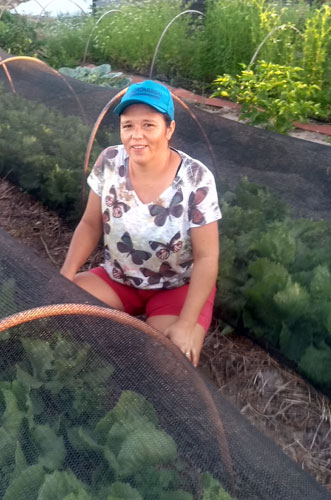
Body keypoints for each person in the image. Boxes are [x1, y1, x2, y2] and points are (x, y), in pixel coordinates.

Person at [60, 80, 221, 367]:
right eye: (128, 125)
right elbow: (89, 224)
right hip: (119, 279)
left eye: (148, 125)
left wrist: (186, 323)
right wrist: (65, 276)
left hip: (176, 287)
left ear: (169, 129)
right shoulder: (110, 161)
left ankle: (168, 325)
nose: (137, 135)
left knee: (167, 364)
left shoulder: (196, 178)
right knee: (60, 313)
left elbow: (207, 257)